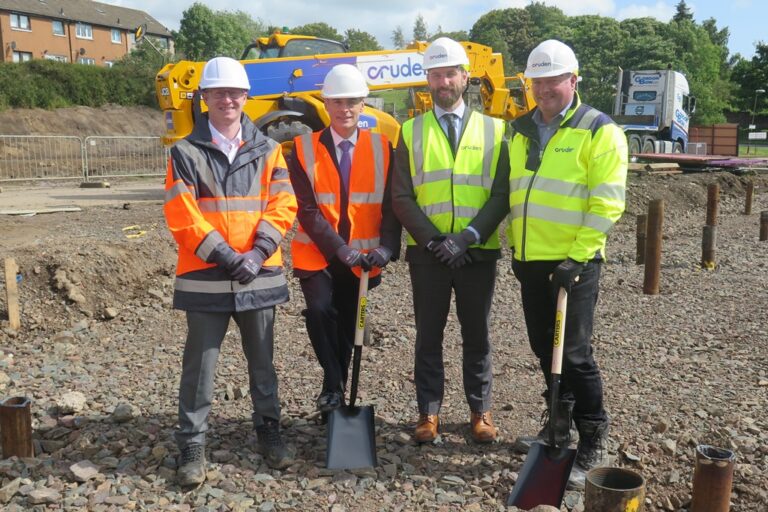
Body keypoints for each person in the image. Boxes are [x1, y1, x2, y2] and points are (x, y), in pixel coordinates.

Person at [163, 56, 298, 486]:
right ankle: (192, 443)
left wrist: (256, 254)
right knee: (200, 366)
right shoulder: (184, 152)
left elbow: (283, 205)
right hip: (207, 275)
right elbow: (182, 215)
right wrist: (226, 256)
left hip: (257, 273)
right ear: (204, 98)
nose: (228, 99)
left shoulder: (269, 149)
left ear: (246, 97)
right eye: (219, 92)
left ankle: (268, 431)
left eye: (235, 92)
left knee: (263, 363)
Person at [506, 39, 627, 488]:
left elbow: (607, 202)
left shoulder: (599, 130)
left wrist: (577, 258)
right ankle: (558, 423)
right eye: (537, 81)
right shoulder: (519, 130)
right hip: (530, 259)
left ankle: (594, 436)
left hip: (574, 262)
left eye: (553, 80)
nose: (544, 89)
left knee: (573, 354)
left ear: (573, 80)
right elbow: (514, 191)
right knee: (545, 348)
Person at [392, 38, 509, 444]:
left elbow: (501, 194)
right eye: (436, 74)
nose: (444, 82)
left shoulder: (496, 130)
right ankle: (429, 413)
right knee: (429, 335)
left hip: (478, 252)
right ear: (428, 80)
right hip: (430, 255)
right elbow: (401, 196)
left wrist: (469, 237)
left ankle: (480, 411)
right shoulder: (410, 131)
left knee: (477, 333)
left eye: (450, 73)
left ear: (466, 76)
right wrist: (435, 241)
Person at [289, 64, 400, 414]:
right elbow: (306, 209)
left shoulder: (382, 147)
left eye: (352, 101)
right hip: (318, 255)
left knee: (350, 325)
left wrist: (387, 247)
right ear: (326, 104)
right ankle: (334, 386)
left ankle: (331, 389)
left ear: (363, 104)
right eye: (337, 101)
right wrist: (340, 249)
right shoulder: (302, 148)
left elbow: (392, 204)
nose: (345, 108)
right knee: (321, 312)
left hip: (364, 257)